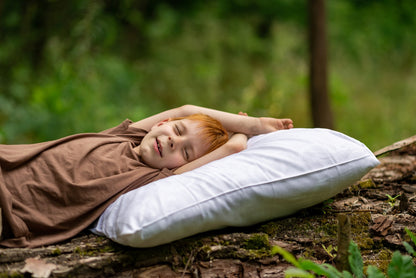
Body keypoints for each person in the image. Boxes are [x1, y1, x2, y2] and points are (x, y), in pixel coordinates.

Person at [0, 104, 293, 248]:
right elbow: (186, 109)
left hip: (10, 211)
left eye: (187, 152)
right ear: (163, 123)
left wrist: (245, 131)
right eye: (176, 131)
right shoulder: (125, 136)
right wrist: (255, 122)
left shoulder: (150, 178)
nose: (172, 142)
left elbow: (234, 147)